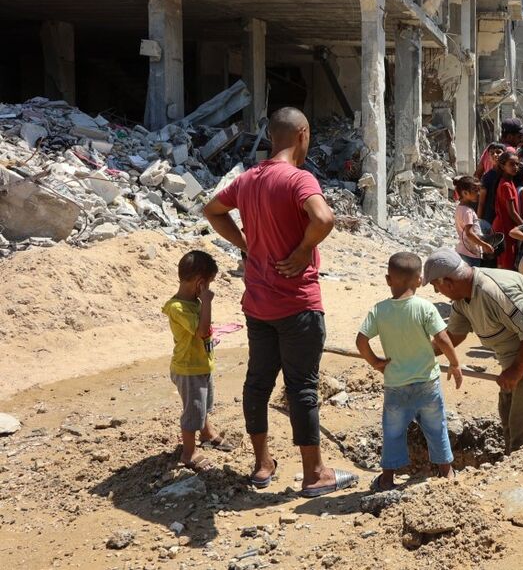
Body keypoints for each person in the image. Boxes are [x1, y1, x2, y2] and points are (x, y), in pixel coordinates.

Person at [204, 107, 356, 497]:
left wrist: (245, 244)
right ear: (302, 134)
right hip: (297, 305)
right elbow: (324, 218)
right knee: (302, 387)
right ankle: (314, 474)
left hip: (257, 304)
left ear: (272, 136)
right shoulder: (298, 179)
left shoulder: (247, 179)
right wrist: (305, 248)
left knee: (257, 382)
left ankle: (261, 465)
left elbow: (212, 210)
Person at [424, 249, 523, 452]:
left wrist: (516, 371)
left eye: (435, 286)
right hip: (517, 355)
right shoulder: (462, 298)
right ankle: (513, 463)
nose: (436, 292)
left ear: (448, 282)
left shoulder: (493, 291)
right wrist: (420, 352)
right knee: (509, 417)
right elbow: (454, 336)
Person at [356, 252, 463, 491]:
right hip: (427, 383)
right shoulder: (425, 308)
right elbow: (443, 338)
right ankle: (446, 473)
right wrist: (454, 364)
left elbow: (361, 340)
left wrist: (375, 362)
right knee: (437, 428)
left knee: (393, 432)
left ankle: (387, 479)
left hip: (396, 385)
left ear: (388, 279)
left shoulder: (379, 310)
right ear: (419, 280)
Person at [164, 250, 230, 471]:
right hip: (188, 368)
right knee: (193, 411)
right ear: (200, 283)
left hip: (201, 364)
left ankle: (207, 432)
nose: (209, 288)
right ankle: (188, 452)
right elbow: (202, 331)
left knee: (203, 405)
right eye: (209, 284)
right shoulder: (178, 308)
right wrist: (208, 302)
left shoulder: (192, 304)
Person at [492, 151, 523, 270]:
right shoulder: (506, 185)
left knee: (503, 262)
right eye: (511, 164)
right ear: (502, 166)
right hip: (505, 227)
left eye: (517, 164)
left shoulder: (508, 182)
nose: (515, 167)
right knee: (506, 264)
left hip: (504, 226)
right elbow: (512, 212)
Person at [453, 176, 494, 266]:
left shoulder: (460, 208)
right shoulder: (468, 212)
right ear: (465, 193)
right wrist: (484, 245)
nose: (478, 193)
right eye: (475, 191)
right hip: (471, 254)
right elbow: (469, 233)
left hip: (463, 250)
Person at [477, 142, 507, 224]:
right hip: (490, 216)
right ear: (489, 157)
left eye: (498, 152)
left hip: (505, 214)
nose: (495, 155)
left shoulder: (508, 174)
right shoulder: (487, 177)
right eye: (492, 153)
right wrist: (479, 222)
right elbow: (481, 202)